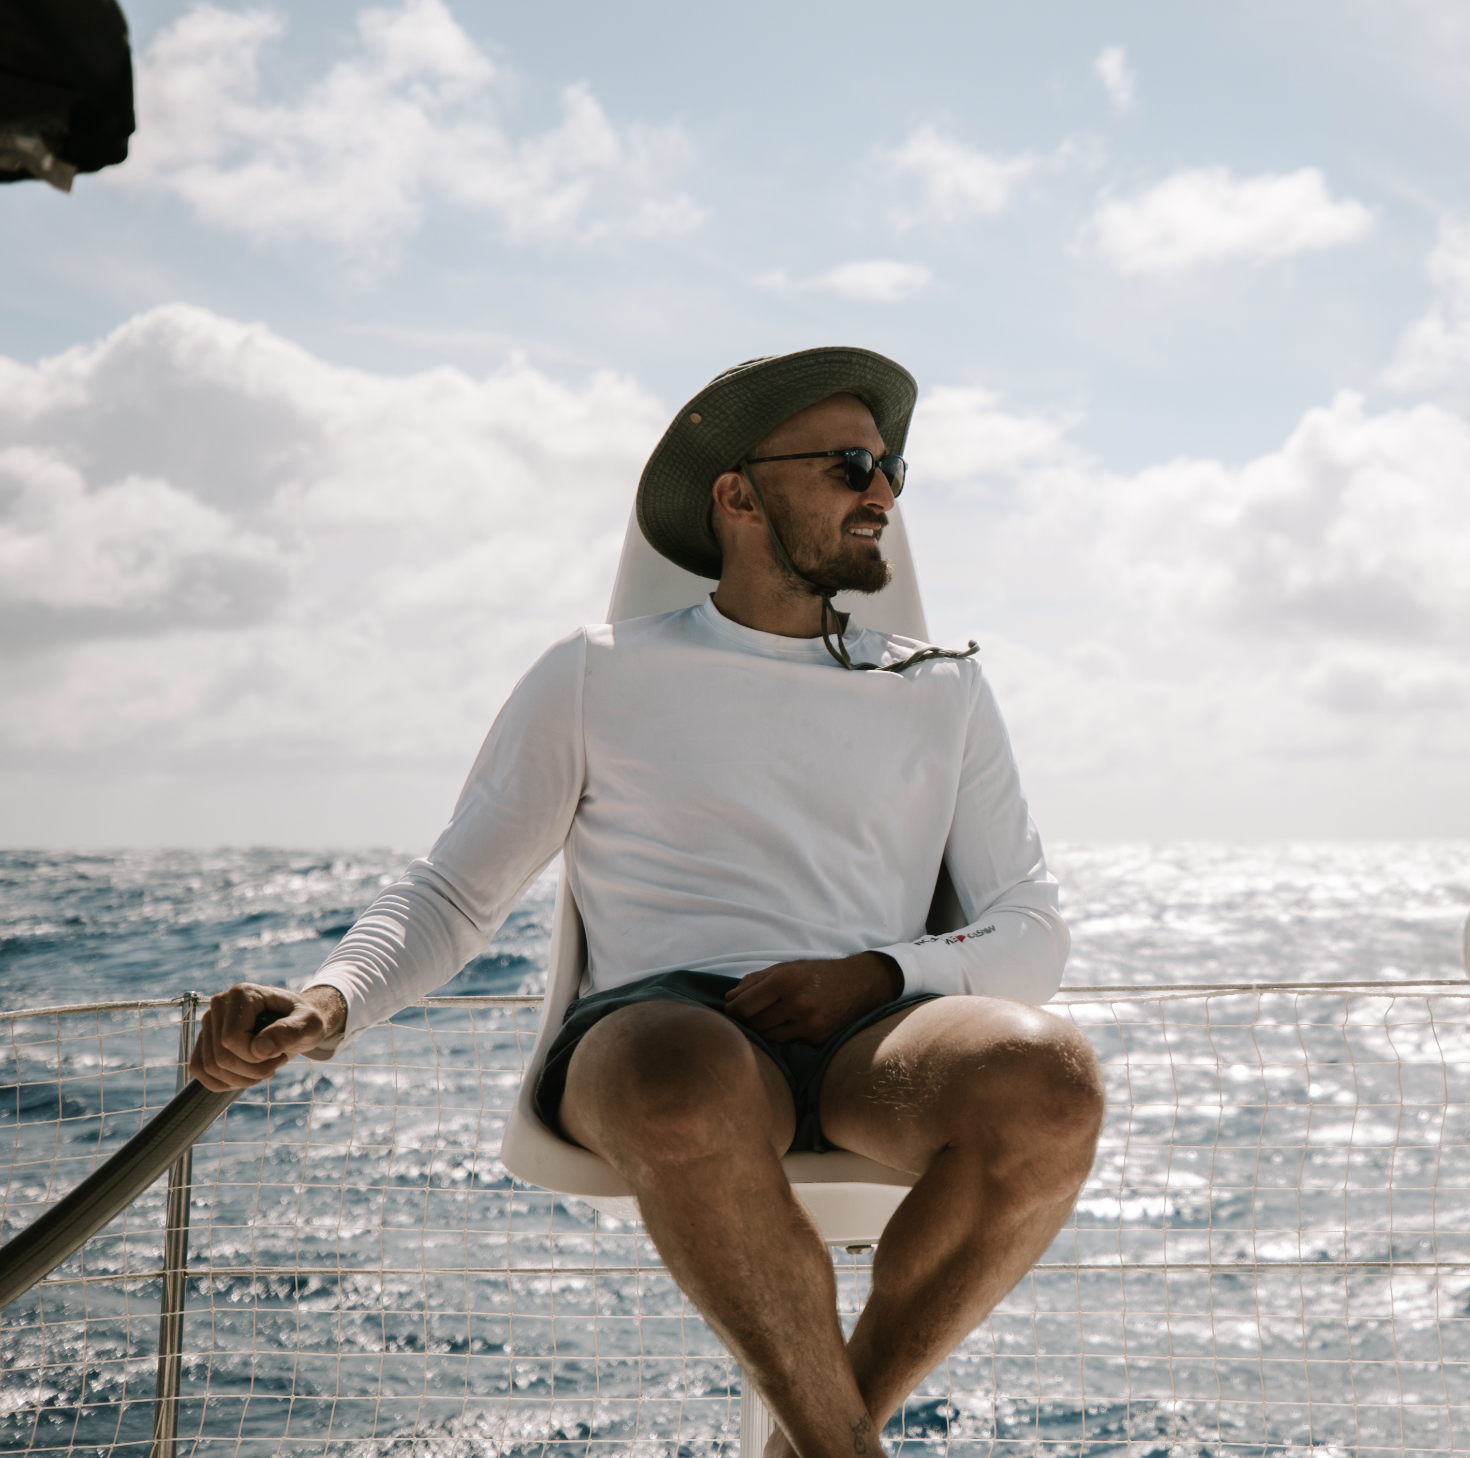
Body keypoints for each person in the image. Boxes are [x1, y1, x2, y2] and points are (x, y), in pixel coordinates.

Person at [188, 347, 1105, 1458]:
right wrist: (330, 1002)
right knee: (688, 1072)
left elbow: (1030, 927)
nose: (885, 495)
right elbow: (454, 889)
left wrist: (872, 977)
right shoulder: (598, 672)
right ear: (737, 494)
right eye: (853, 463)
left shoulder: (942, 685)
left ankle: (817, 1443)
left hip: (877, 1031)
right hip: (661, 1032)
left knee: (1049, 1082)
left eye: (893, 468)